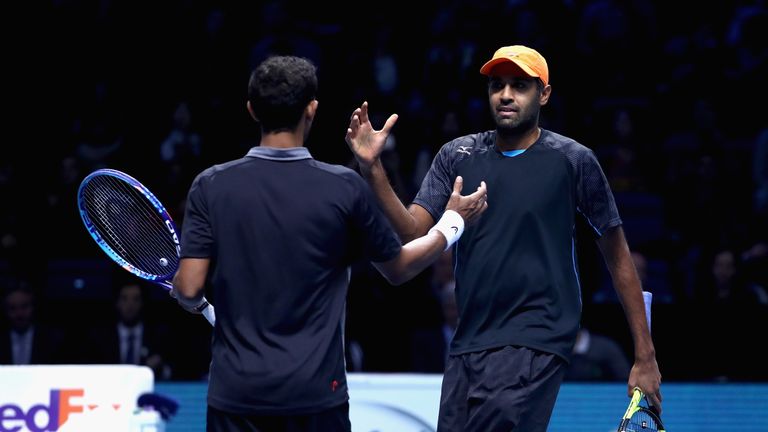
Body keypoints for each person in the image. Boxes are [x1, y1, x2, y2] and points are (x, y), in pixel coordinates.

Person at [345, 44, 662, 431]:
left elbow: (619, 259)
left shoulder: (573, 160)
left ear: (543, 94)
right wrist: (372, 168)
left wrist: (645, 356)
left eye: (519, 85)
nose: (506, 95)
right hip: (469, 341)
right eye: (497, 85)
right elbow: (413, 231)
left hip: (537, 337)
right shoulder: (455, 155)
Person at [171, 55, 488, 432]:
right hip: (317, 396)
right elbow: (400, 268)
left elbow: (189, 288)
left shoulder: (211, 185)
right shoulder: (343, 187)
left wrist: (193, 301)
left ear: (252, 110)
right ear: (312, 109)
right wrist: (453, 222)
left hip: (236, 395)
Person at [84, 279, 172, 380]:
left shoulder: (158, 335)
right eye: (124, 299)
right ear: (117, 303)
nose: (130, 305)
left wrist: (159, 367)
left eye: (135, 299)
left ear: (142, 303)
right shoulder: (101, 338)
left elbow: (171, 371)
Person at [0, 280, 66, 365]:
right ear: (5, 310)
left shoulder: (53, 340)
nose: (19, 314)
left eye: (24, 307)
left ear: (33, 307)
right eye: (12, 308)